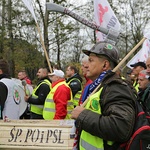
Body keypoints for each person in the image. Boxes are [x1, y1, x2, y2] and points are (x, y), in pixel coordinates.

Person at [71, 41, 137, 150]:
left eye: (91, 60)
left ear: (105, 65)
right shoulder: (100, 86)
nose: (86, 65)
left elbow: (120, 128)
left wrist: (82, 115)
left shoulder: (116, 88)